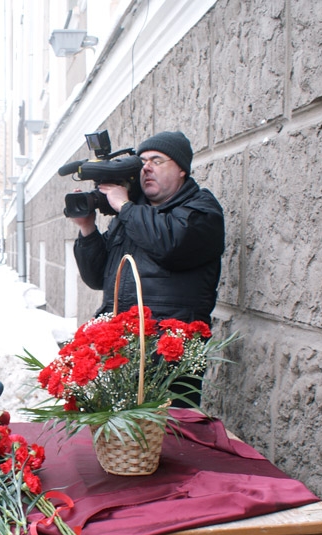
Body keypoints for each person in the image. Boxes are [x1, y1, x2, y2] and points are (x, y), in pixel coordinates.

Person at [71, 130, 225, 407]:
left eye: (157, 160)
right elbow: (96, 277)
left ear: (181, 170)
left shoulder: (202, 210)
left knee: (168, 440)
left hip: (170, 356)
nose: (147, 168)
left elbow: (170, 245)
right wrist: (87, 229)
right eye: (142, 162)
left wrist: (124, 206)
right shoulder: (132, 215)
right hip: (122, 352)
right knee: (121, 445)